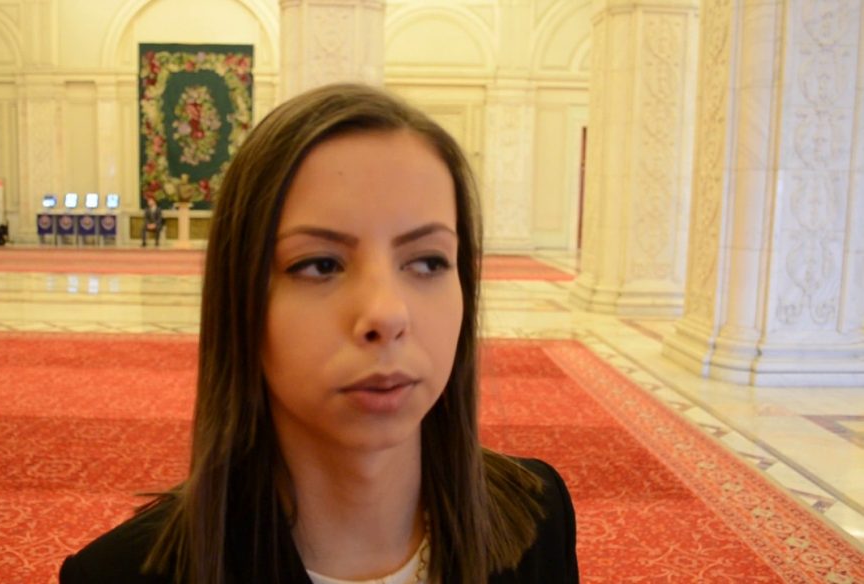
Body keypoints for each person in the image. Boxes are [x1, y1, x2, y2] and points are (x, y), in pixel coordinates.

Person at [59, 84, 578, 583]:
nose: (386, 313)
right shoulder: (117, 576)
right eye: (320, 265)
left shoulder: (540, 519)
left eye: (427, 261)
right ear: (241, 299)